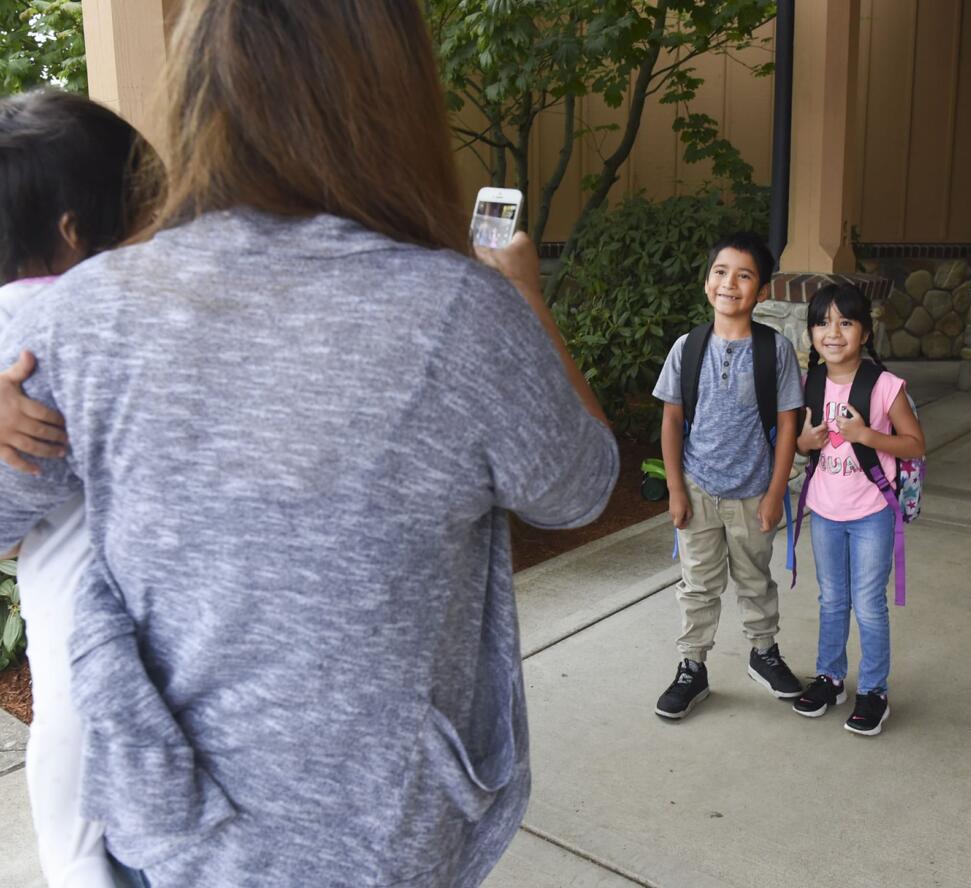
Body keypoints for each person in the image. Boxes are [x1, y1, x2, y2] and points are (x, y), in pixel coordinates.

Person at [0, 2, 618, 886]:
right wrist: (524, 299)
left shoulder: (83, 317)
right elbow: (580, 487)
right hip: (384, 834)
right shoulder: (461, 317)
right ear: (394, 94)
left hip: (171, 832)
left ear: (197, 95)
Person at [0, 87, 154, 888]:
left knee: (74, 829)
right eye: (144, 212)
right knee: (91, 833)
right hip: (103, 636)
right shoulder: (77, 323)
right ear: (75, 232)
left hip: (67, 622)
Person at [651, 232, 803, 720]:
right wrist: (676, 488)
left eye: (744, 275)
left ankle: (763, 652)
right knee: (697, 584)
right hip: (698, 489)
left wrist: (776, 491)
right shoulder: (688, 347)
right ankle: (691, 667)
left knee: (755, 580)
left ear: (760, 292)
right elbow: (672, 419)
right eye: (721, 272)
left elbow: (787, 424)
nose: (729, 283)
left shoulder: (774, 351)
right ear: (706, 283)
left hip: (754, 491)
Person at [792, 282, 924, 736]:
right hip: (825, 511)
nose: (833, 332)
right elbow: (800, 441)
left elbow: (915, 442)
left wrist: (867, 436)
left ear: (864, 333)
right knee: (831, 599)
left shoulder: (885, 386)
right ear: (811, 332)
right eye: (823, 323)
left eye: (846, 322)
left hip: (872, 511)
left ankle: (873, 690)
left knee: (868, 603)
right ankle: (830, 677)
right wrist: (802, 443)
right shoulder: (809, 382)